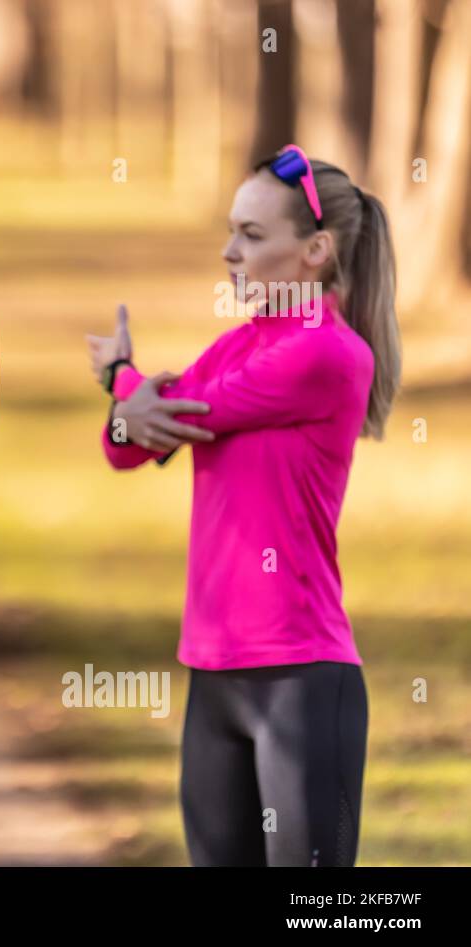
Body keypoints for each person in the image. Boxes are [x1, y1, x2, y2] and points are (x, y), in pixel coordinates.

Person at [86, 144, 401, 866]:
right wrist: (129, 398)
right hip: (214, 673)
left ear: (315, 250)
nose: (230, 252)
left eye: (253, 236)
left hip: (300, 677)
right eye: (231, 231)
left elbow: (187, 413)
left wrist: (124, 381)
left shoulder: (330, 353)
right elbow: (124, 447)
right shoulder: (237, 346)